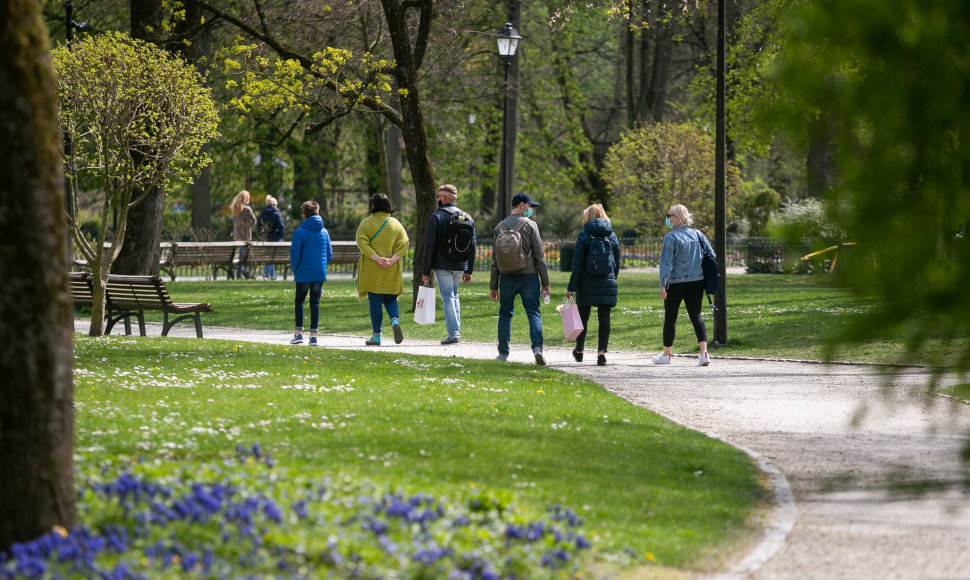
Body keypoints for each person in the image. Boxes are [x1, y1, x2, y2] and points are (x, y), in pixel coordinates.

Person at [489, 193, 551, 365]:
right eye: (529, 206)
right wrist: (545, 283)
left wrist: (493, 285)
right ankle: (537, 349)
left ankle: (502, 353)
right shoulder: (531, 225)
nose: (530, 209)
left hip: (506, 277)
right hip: (529, 276)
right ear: (522, 205)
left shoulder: (499, 227)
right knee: (533, 313)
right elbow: (539, 256)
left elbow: (495, 259)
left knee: (505, 314)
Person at [653, 203, 714, 366]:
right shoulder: (698, 234)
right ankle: (704, 354)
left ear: (678, 218)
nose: (667, 218)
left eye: (670, 215)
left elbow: (666, 263)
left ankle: (666, 355)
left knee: (670, 318)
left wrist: (662, 285)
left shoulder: (671, 237)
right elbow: (712, 255)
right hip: (697, 281)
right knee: (696, 316)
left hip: (676, 282)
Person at [565, 204, 621, 366]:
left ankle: (580, 350)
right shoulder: (612, 236)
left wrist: (571, 287)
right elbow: (616, 263)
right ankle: (601, 353)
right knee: (604, 318)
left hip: (586, 282)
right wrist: (612, 278)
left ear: (587, 217)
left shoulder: (584, 236)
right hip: (607, 281)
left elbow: (578, 265)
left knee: (583, 318)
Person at [420, 184, 476, 345]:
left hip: (443, 263)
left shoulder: (437, 216)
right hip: (460, 264)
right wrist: (469, 269)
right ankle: (455, 330)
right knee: (454, 295)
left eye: (438, 196)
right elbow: (473, 245)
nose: (437, 199)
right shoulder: (468, 217)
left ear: (443, 198)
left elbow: (429, 245)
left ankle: (453, 333)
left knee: (447, 297)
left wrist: (425, 269)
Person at [356, 194, 409, 346]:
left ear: (373, 205)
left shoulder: (366, 224)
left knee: (375, 301)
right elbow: (404, 243)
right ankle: (394, 321)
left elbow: (362, 242)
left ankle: (377, 336)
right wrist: (391, 260)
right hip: (391, 269)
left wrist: (377, 258)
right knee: (391, 298)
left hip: (372, 269)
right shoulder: (396, 224)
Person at [289, 200, 333, 346]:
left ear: (304, 215)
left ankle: (298, 334)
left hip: (303, 272)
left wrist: (295, 269)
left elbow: (295, 255)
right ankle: (313, 336)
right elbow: (329, 254)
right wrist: (321, 266)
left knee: (300, 301)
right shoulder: (324, 232)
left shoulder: (299, 232)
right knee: (315, 303)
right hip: (319, 272)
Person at [231, 190, 257, 279]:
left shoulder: (234, 208)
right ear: (246, 199)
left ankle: (240, 273)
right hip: (245, 236)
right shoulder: (247, 209)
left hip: (236, 235)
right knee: (245, 255)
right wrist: (246, 226)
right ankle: (245, 273)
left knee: (240, 254)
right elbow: (254, 221)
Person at [259, 195, 285, 280]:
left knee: (270, 256)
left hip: (266, 238)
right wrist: (280, 235)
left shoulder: (263, 213)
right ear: (275, 204)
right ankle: (266, 274)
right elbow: (281, 226)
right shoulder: (276, 213)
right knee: (272, 257)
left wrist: (263, 234)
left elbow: (259, 225)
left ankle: (273, 276)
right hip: (275, 238)